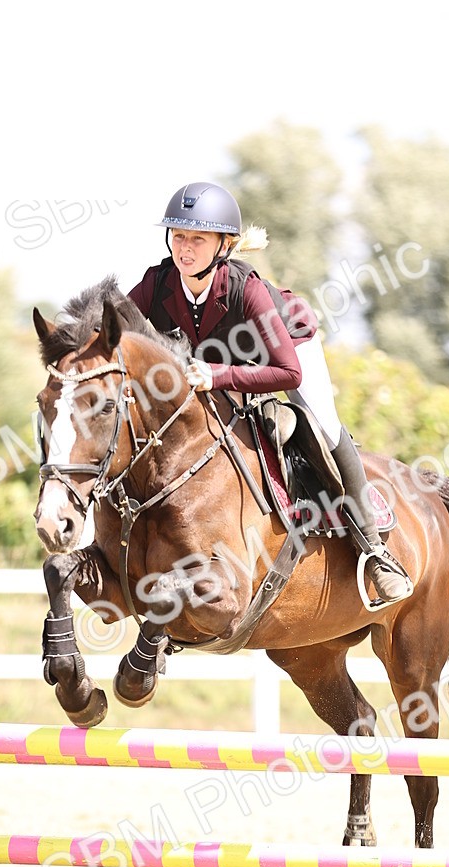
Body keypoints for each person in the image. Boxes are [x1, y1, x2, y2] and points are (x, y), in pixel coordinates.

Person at [127, 181, 413, 605]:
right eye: (178, 236)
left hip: (289, 348)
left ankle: (374, 550)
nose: (184, 248)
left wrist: (220, 376)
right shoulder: (159, 282)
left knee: (325, 428)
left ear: (224, 245)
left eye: (197, 239)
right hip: (219, 363)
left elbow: (287, 372)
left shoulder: (248, 290)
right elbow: (115, 328)